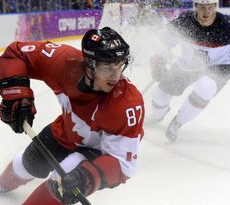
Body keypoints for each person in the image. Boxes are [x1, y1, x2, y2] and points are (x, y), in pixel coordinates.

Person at [0, 27, 145, 204]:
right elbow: (16, 53)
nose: (115, 75)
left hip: (98, 152)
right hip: (65, 131)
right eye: (107, 67)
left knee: (60, 185)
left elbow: (123, 165)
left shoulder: (127, 104)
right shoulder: (64, 62)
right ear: (90, 64)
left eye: (119, 65)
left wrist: (87, 177)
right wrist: (14, 93)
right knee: (26, 164)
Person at [145, 0, 230, 141]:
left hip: (219, 66)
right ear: (195, 5)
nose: (206, 12)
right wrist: (158, 59)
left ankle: (178, 122)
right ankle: (156, 116)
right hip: (188, 64)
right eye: (201, 6)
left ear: (216, 6)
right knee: (162, 92)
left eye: (210, 7)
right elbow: (165, 41)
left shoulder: (228, 25)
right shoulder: (183, 22)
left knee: (206, 86)